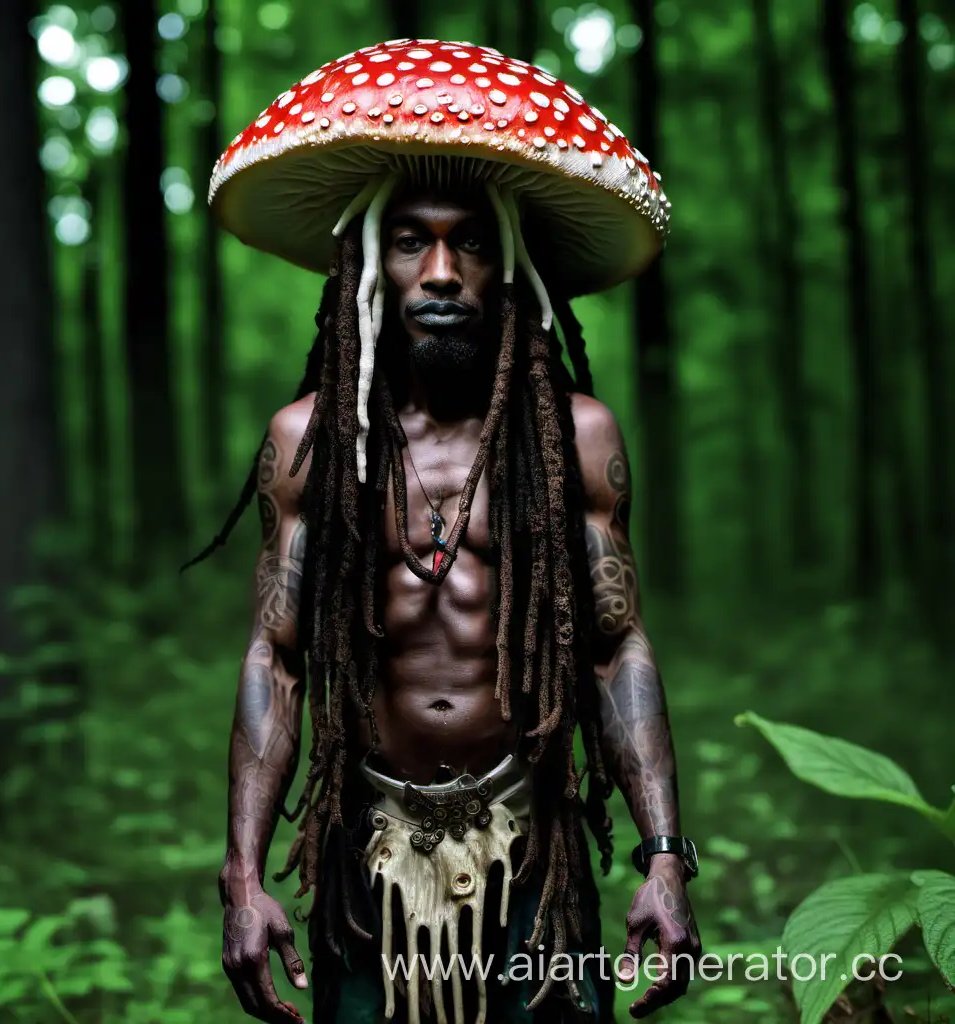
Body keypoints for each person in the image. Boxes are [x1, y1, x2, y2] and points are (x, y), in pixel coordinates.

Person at [203, 39, 701, 1024]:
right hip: (365, 853)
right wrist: (243, 875)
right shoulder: (307, 441)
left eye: (471, 241)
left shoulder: (574, 437)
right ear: (364, 264)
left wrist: (664, 859)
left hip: (533, 848)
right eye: (409, 241)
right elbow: (277, 654)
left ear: (510, 266)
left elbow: (614, 651)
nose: (440, 271)